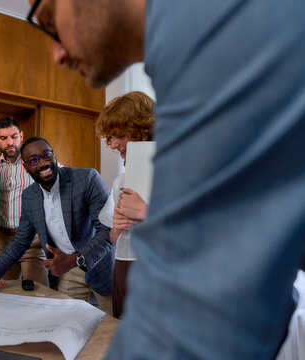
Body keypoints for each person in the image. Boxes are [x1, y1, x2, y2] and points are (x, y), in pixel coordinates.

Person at [27, 0, 305, 359]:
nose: (57, 55)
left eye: (50, 20)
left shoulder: (211, 36)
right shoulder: (183, 47)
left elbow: (207, 306)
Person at [0, 137, 114, 315]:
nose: (43, 163)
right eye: (34, 160)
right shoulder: (30, 196)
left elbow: (108, 231)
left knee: (117, 325)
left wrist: (75, 259)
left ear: (54, 156)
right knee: (65, 322)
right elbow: (20, 241)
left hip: (100, 263)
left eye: (46, 155)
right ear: (26, 167)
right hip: (70, 271)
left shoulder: (87, 178)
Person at [95, 92, 154, 318]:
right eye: (111, 137)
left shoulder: (175, 170)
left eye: (120, 135)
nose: (115, 144)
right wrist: (117, 228)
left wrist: (145, 212)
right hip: (122, 267)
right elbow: (115, 239)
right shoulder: (121, 180)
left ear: (144, 129)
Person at [0, 116, 48, 286]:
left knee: (39, 294)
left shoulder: (36, 162)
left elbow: (61, 174)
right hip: (2, 241)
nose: (10, 142)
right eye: (3, 138)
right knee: (3, 294)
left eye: (14, 136)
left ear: (21, 135)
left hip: (32, 241)